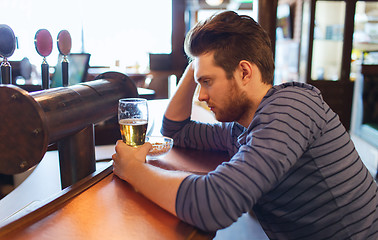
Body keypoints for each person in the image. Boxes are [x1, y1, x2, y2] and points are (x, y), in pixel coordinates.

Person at [112, 11, 378, 239]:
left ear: (244, 72)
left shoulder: (293, 105)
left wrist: (132, 168)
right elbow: (176, 129)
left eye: (207, 82)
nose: (201, 95)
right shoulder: (243, 128)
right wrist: (198, 65)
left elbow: (213, 205)